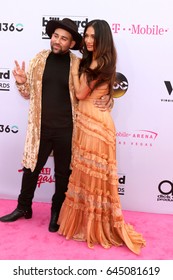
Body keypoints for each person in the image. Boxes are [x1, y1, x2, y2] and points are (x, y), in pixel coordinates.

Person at [0, 18, 111, 232]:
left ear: (71, 43)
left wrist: (109, 98)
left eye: (64, 38)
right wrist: (22, 82)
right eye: (55, 36)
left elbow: (88, 92)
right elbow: (27, 95)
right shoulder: (39, 60)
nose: (57, 41)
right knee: (31, 168)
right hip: (40, 128)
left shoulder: (78, 64)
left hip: (67, 130)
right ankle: (24, 207)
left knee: (63, 174)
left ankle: (56, 212)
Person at [57, 19, 146, 254]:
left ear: (103, 38)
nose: (88, 40)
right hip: (87, 123)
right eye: (86, 35)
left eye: (93, 36)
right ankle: (86, 223)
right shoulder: (94, 60)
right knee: (86, 177)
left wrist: (75, 70)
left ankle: (94, 227)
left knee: (93, 179)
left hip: (97, 127)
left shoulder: (100, 63)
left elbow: (79, 93)